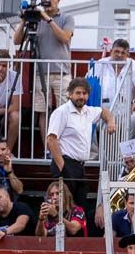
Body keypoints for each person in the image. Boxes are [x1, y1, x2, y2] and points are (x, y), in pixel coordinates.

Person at [13, 0, 73, 147]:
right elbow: (17, 41)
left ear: (58, 0)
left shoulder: (66, 18)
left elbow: (65, 38)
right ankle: (48, 148)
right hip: (41, 73)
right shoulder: (36, 19)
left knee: (64, 111)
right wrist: (24, 20)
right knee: (43, 111)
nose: (48, 1)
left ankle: (63, 147)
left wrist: (47, 18)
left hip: (62, 73)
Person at [46, 78, 116, 206]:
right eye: (78, 93)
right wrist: (63, 167)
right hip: (65, 164)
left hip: (80, 167)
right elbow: (51, 139)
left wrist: (111, 121)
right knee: (64, 208)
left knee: (79, 207)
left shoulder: (88, 111)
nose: (81, 96)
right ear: (70, 94)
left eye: (84, 93)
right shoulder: (61, 112)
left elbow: (104, 112)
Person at [94, 38, 135, 136]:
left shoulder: (134, 65)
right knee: (88, 119)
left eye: (123, 53)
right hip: (101, 108)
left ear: (128, 54)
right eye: (117, 51)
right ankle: (94, 152)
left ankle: (126, 151)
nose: (119, 55)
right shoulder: (100, 63)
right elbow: (88, 83)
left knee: (134, 119)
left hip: (126, 110)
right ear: (111, 51)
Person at [0, 58, 23, 153]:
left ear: (9, 66)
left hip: (6, 110)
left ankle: (7, 152)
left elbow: (16, 106)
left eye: (4, 65)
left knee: (16, 117)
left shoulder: (15, 77)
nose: (0, 68)